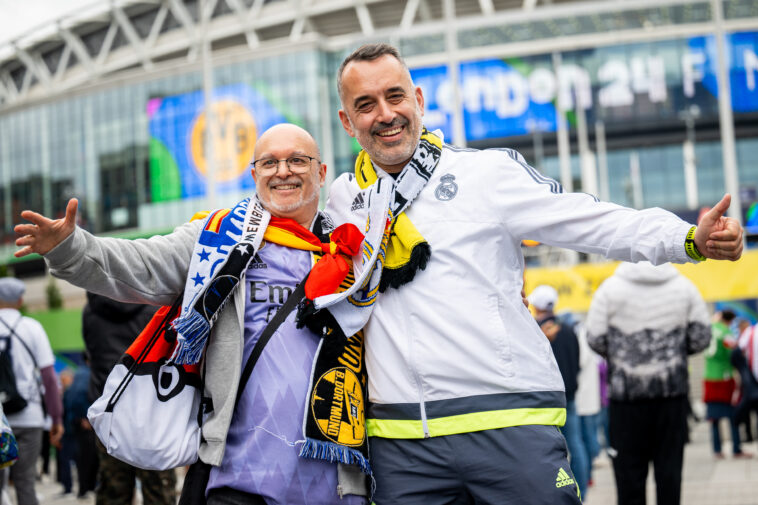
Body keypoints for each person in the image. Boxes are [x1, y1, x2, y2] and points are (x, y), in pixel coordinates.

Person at [319, 42, 743, 505]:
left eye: (395, 96)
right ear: (347, 121)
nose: (385, 114)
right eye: (365, 104)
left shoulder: (485, 174)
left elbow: (589, 219)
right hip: (400, 446)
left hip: (509, 424)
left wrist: (686, 238)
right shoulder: (344, 200)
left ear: (418, 100)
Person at [13, 124, 369, 504]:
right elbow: (143, 264)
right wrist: (71, 248)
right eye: (269, 162)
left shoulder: (357, 252)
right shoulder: (218, 238)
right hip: (237, 480)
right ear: (254, 174)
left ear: (321, 172)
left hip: (335, 482)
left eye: (298, 160)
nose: (283, 171)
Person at [585, 261, 711, 505]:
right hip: (671, 396)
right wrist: (672, 354)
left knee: (628, 478)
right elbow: (701, 337)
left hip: (626, 400)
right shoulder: (684, 286)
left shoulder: (609, 289)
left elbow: (594, 337)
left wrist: (623, 356)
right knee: (670, 474)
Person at [82, 292, 178, 505]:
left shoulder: (90, 312)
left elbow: (91, 354)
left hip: (109, 410)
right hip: (150, 412)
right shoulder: (155, 307)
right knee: (158, 489)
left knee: (113, 489)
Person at [0, 277, 63, 505]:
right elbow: (48, 376)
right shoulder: (32, 328)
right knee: (25, 483)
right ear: (19, 300)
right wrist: (56, 417)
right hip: (30, 417)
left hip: (0, 422)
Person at [529, 285, 588, 499]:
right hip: (570, 395)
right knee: (576, 445)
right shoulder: (570, 330)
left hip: (546, 399)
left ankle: (556, 495)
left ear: (535, 305)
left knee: (547, 451)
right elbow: (577, 362)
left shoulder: (535, 331)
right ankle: (581, 494)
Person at [703, 309, 750, 459]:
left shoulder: (710, 328)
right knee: (733, 414)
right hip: (724, 377)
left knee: (713, 417)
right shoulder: (726, 332)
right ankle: (736, 448)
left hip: (709, 376)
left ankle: (717, 450)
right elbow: (734, 353)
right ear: (730, 320)